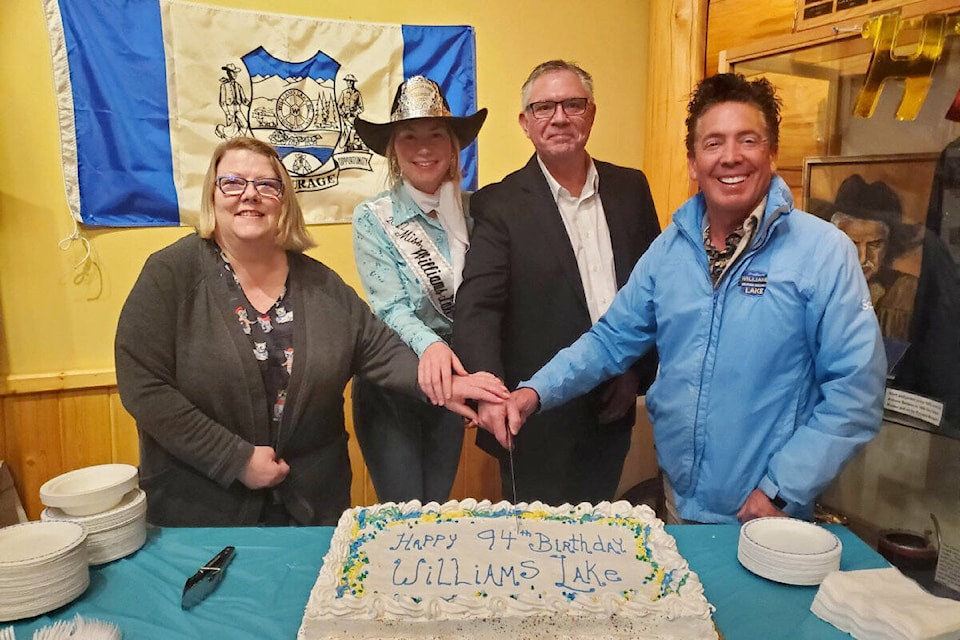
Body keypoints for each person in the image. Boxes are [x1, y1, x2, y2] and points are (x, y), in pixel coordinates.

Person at [503, 73, 887, 524]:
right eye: (713, 143)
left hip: (767, 514)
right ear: (692, 162)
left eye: (748, 140)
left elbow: (855, 393)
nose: (730, 157)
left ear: (772, 153)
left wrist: (781, 491)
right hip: (677, 502)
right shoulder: (670, 251)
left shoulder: (823, 252)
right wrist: (534, 391)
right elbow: (609, 341)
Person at [115, 136, 507, 527]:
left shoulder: (320, 285)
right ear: (212, 195)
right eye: (233, 182)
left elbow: (380, 350)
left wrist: (446, 385)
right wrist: (233, 459)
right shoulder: (170, 274)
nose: (249, 195)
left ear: (283, 200)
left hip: (309, 510)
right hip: (199, 511)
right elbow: (143, 385)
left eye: (266, 185)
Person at [452, 60, 661, 506]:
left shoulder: (631, 188)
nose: (560, 117)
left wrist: (634, 373)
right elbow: (478, 307)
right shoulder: (499, 202)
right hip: (531, 419)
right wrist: (490, 394)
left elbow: (654, 294)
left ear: (592, 113)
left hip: (614, 405)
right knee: (535, 552)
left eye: (573, 104)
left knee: (599, 534)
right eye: (544, 107)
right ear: (525, 123)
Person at [349, 76, 488, 503]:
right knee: (404, 513)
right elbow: (390, 307)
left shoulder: (478, 210)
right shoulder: (373, 217)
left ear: (453, 147)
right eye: (409, 137)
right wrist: (433, 349)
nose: (423, 148)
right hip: (394, 386)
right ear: (393, 148)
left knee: (437, 507)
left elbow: (486, 302)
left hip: (451, 385)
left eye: (435, 136)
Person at [828, 174, 921, 341]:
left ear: (889, 244)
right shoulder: (817, 286)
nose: (863, 258)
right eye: (852, 243)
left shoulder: (909, 292)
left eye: (875, 245)